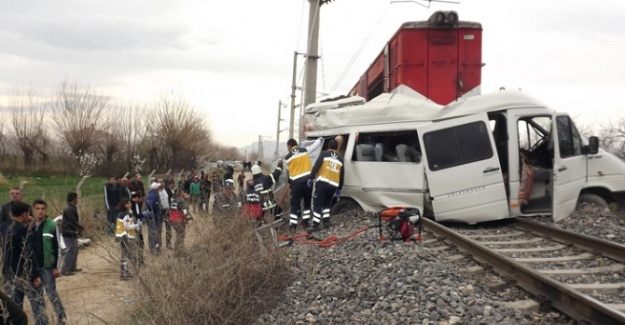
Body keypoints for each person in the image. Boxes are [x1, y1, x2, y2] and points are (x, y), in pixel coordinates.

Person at [1, 201, 48, 325]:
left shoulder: (3, 227)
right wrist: (35, 275)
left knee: (15, 307)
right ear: (25, 213)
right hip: (25, 274)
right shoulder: (21, 229)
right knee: (37, 304)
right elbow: (28, 252)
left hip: (9, 273)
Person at [31, 199, 67, 324]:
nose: (40, 211)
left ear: (46, 210)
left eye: (42, 209)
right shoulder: (29, 225)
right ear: (33, 210)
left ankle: (61, 316)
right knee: (37, 296)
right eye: (37, 209)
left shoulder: (52, 225)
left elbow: (57, 247)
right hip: (35, 268)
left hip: (48, 267)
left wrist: (56, 267)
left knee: (51, 293)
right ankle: (41, 320)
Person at [284, 137, 323, 231]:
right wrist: (319, 140)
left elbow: (288, 172)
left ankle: (293, 225)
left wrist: (290, 182)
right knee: (307, 203)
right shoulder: (304, 150)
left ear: (289, 146)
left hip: (296, 184)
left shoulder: (287, 157)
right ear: (296, 144)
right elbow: (314, 147)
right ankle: (305, 222)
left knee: (294, 204)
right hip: (307, 182)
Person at [308, 139, 345, 231]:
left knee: (317, 204)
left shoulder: (324, 154)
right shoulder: (340, 159)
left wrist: (311, 177)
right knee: (326, 204)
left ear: (328, 146)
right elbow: (342, 174)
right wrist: (339, 188)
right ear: (337, 148)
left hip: (322, 183)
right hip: (333, 186)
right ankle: (326, 222)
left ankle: (315, 225)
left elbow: (316, 166)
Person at [115, 198, 142, 280]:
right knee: (126, 255)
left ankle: (125, 273)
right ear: (125, 205)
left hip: (122, 236)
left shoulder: (120, 213)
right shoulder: (125, 214)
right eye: (129, 203)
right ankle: (124, 274)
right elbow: (127, 226)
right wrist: (137, 225)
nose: (130, 205)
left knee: (124, 255)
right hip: (126, 236)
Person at [61, 192, 83, 276]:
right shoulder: (69, 209)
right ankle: (65, 269)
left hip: (72, 232)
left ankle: (72, 267)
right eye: (76, 198)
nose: (77, 200)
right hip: (68, 232)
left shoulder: (71, 207)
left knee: (75, 250)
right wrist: (79, 227)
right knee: (70, 250)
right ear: (73, 199)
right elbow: (72, 221)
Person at [145, 182, 162, 255]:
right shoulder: (153, 195)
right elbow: (151, 206)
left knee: (154, 231)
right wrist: (156, 209)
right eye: (158, 187)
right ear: (155, 188)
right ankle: (153, 247)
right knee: (153, 231)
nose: (159, 188)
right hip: (153, 216)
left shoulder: (152, 194)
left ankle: (154, 246)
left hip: (153, 215)